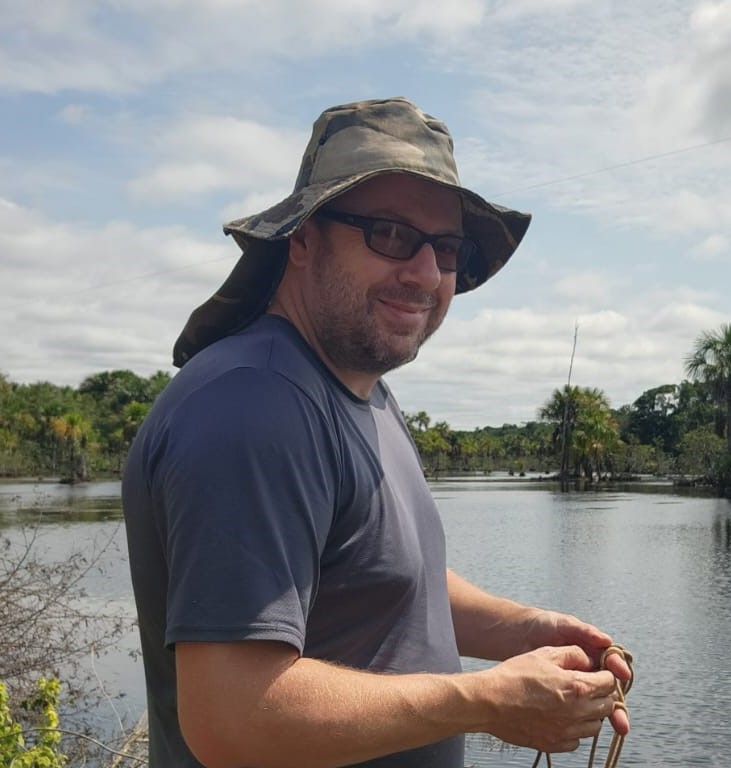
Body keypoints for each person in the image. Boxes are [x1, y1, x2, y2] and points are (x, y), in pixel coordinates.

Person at [122, 97, 631, 768]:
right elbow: (233, 718)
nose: (425, 273)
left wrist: (525, 630)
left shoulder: (361, 391)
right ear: (302, 238)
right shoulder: (254, 405)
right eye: (389, 233)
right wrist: (487, 700)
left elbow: (386, 576)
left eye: (446, 248)